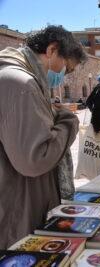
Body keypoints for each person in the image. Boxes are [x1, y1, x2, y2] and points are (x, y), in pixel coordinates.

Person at [0, 25, 86, 249]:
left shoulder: (19, 79)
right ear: (51, 50)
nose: (63, 77)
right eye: (65, 69)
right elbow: (35, 158)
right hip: (17, 214)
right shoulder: (21, 83)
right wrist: (68, 122)